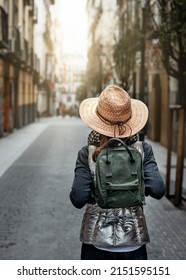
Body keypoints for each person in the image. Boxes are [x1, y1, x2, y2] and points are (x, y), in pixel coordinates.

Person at [69, 85, 165, 260]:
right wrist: (134, 188)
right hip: (134, 242)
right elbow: (158, 190)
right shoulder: (143, 150)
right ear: (130, 121)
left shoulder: (87, 153)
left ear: (97, 121)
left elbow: (77, 198)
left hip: (95, 243)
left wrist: (100, 191)